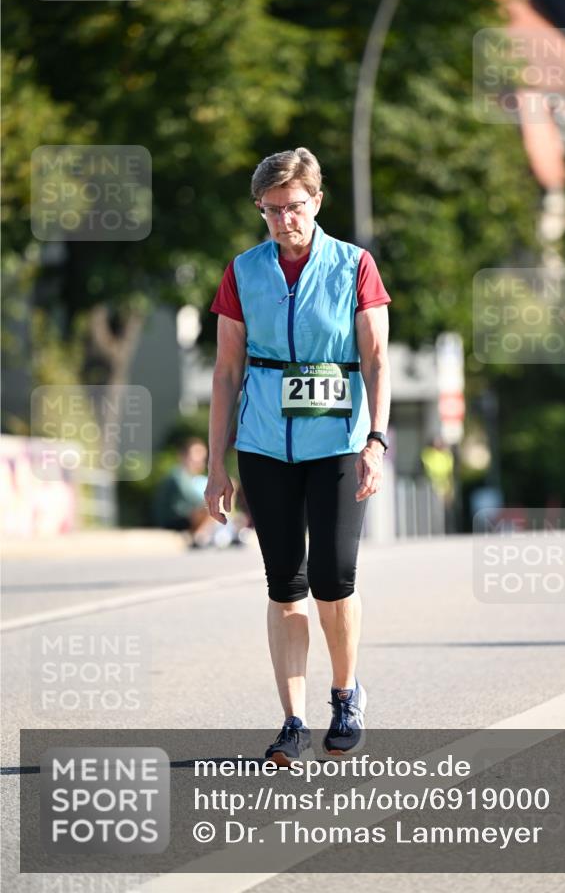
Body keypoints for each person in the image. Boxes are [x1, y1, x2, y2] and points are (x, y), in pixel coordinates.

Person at [206, 147, 391, 765]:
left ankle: (345, 694)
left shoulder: (354, 265)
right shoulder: (243, 271)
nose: (285, 219)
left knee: (333, 580)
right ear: (259, 209)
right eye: (272, 209)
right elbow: (226, 372)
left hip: (339, 444)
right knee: (285, 584)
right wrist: (216, 465)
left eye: (296, 206)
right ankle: (293, 721)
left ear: (317, 202)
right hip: (264, 444)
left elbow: (376, 360)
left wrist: (376, 440)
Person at [152, 437, 220, 548]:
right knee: (210, 508)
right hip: (171, 520)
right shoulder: (178, 475)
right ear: (183, 456)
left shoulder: (188, 477)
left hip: (180, 517)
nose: (199, 461)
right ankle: (199, 537)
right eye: (195, 457)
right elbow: (192, 498)